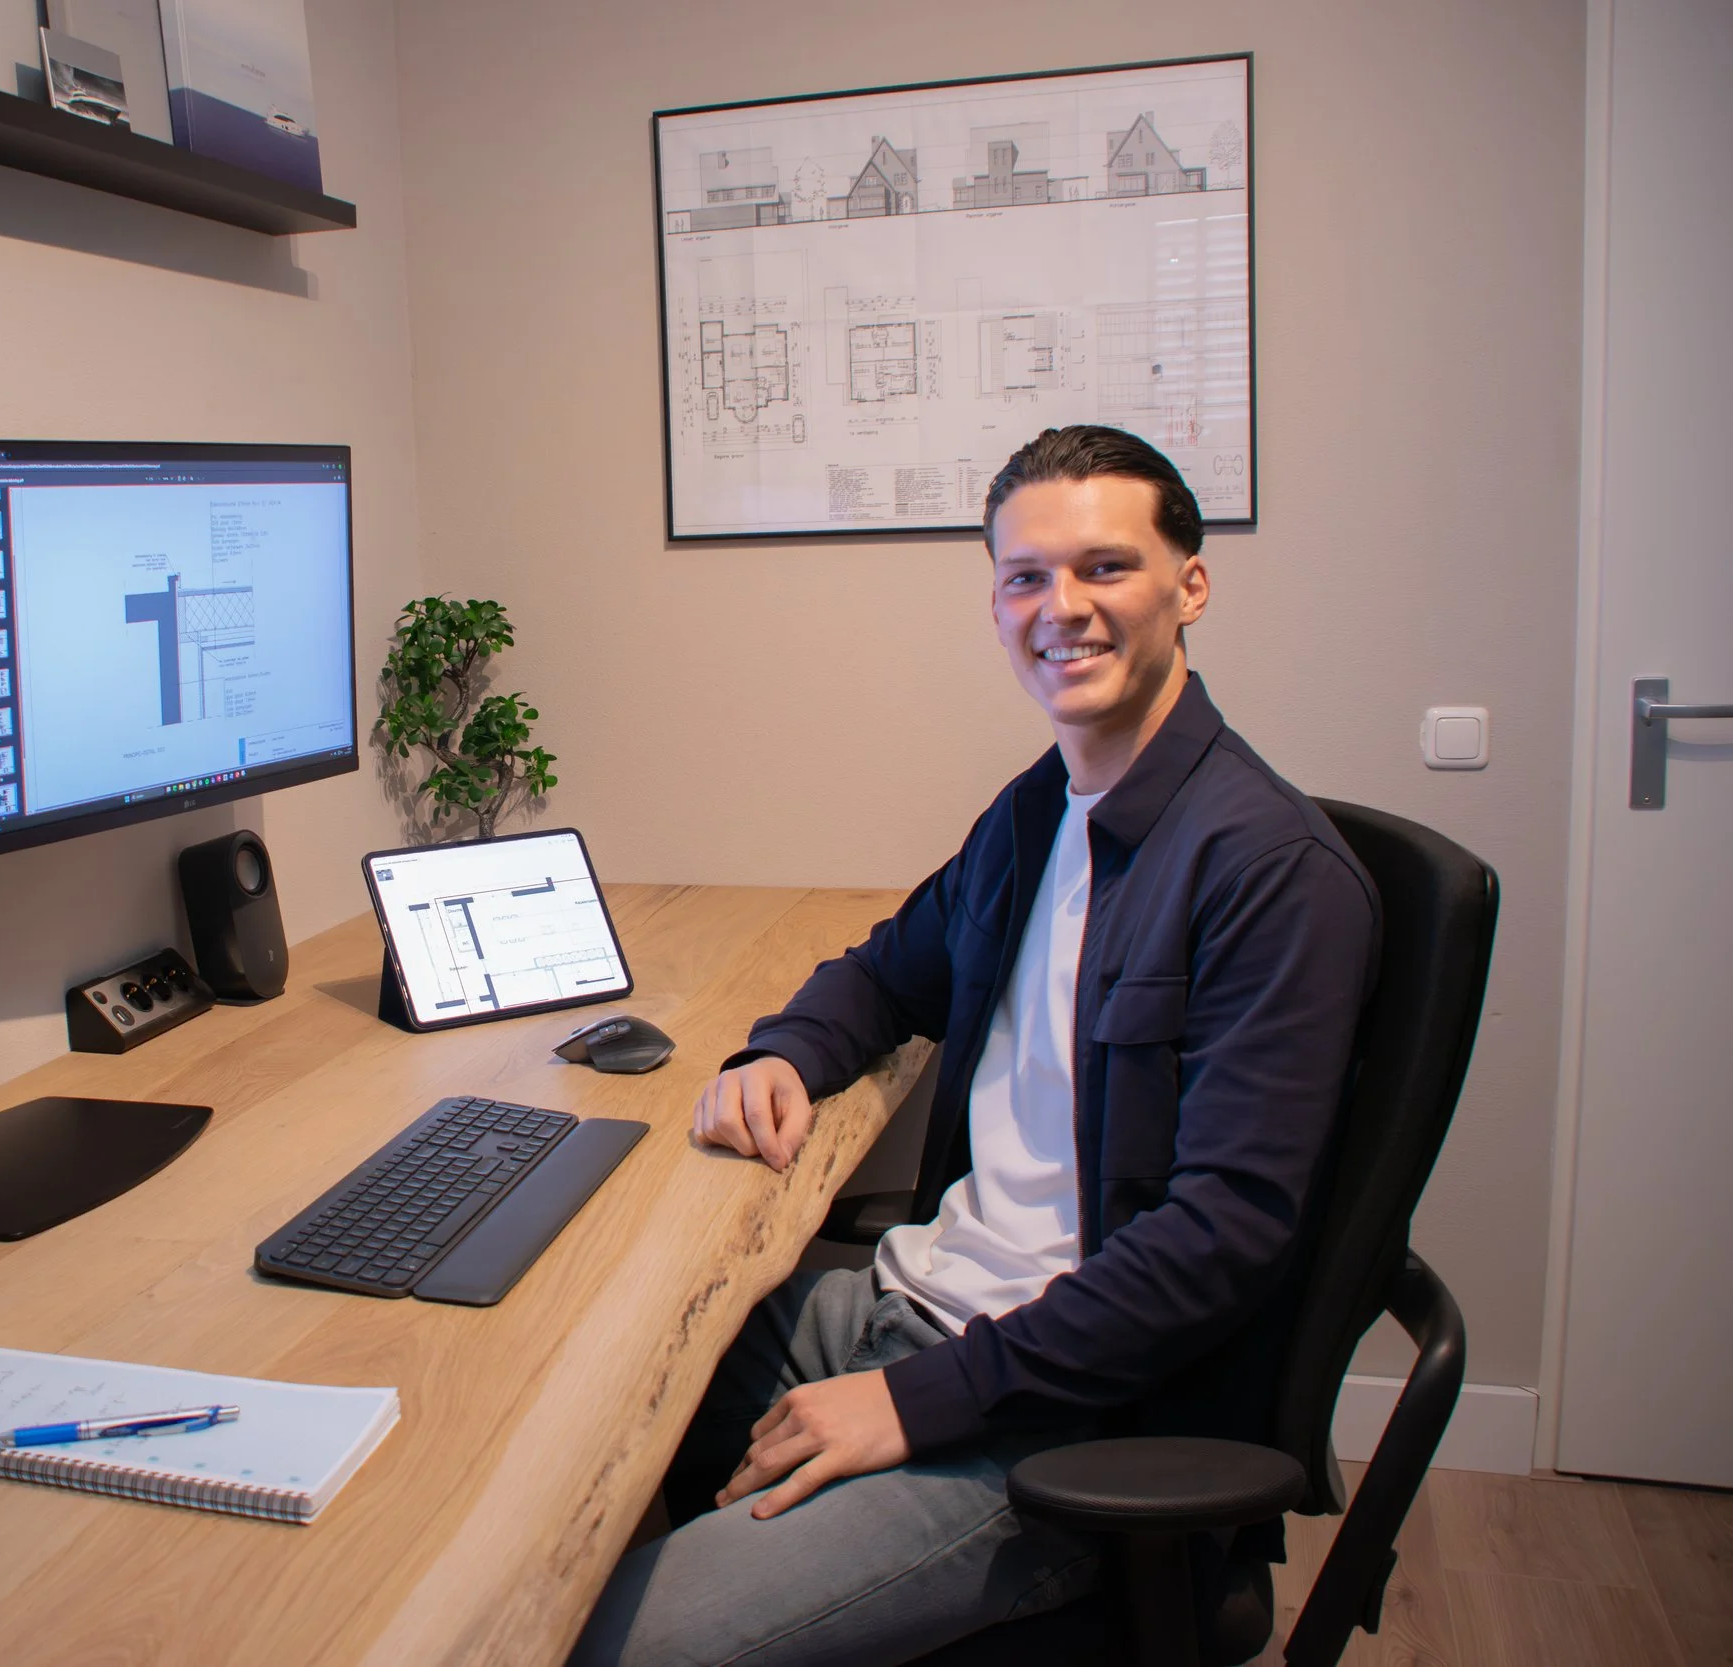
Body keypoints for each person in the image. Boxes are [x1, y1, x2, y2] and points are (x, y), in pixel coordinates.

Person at [570, 427, 1381, 1667]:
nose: (1061, 608)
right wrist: (780, 1054)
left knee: (615, 1645)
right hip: (915, 1304)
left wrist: (911, 1400)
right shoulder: (1038, 809)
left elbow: (1217, 1243)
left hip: (1071, 1417)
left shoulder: (1267, 874)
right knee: (597, 1373)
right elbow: (885, 971)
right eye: (1023, 577)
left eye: (1106, 568)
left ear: (1190, 585)